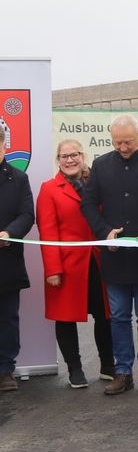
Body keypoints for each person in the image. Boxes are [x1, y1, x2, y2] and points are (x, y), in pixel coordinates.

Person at [81, 115, 138, 396]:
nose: (122, 147)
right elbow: (88, 204)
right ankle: (123, 372)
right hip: (114, 255)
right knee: (119, 316)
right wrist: (104, 231)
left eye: (128, 142)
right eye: (117, 142)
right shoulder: (101, 165)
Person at [36, 139, 115, 388]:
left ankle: (108, 365)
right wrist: (53, 270)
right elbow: (47, 232)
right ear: (57, 160)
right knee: (66, 318)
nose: (69, 160)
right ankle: (75, 369)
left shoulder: (98, 183)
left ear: (83, 156)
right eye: (64, 156)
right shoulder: (49, 189)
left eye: (74, 155)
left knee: (105, 315)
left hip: (100, 261)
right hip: (67, 266)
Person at [0, 122, 35, 392]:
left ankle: (5, 370)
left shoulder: (18, 178)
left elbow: (27, 215)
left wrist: (8, 233)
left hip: (6, 260)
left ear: (4, 145)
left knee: (7, 318)